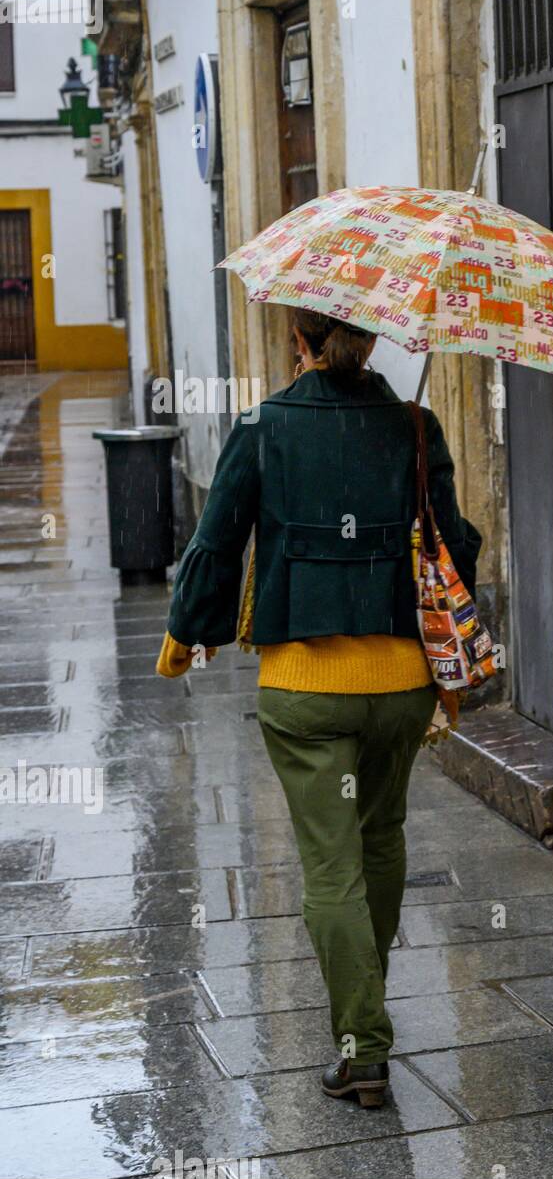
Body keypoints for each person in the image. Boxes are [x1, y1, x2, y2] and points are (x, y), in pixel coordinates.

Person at [156, 309, 481, 1109]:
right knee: (381, 840)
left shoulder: (262, 426)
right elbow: (456, 547)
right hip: (402, 682)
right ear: (371, 343)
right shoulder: (414, 424)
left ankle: (361, 1044)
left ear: (296, 341)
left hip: (304, 689)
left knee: (330, 866)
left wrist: (184, 636)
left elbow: (217, 542)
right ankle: (362, 1016)